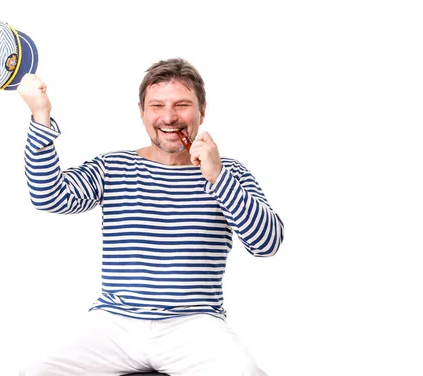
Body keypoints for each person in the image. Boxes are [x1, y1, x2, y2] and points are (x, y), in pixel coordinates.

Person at [19, 58, 284, 376]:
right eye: (157, 105)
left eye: (182, 105)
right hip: (114, 322)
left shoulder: (231, 173)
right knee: (37, 371)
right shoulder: (113, 167)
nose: (169, 117)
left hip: (194, 323)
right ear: (142, 111)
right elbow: (48, 195)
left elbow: (267, 244)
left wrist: (217, 177)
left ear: (202, 110)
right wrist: (40, 116)